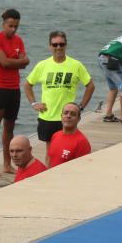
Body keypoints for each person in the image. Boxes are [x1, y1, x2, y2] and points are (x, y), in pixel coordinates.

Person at [24, 31, 95, 161]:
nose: (58, 48)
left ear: (66, 45)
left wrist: (80, 107)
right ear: (50, 46)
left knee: (69, 151)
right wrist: (34, 103)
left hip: (67, 117)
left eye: (61, 44)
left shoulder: (76, 65)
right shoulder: (42, 65)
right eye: (55, 44)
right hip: (47, 117)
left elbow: (90, 86)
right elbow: (28, 85)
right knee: (51, 152)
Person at [0, 8, 29, 177]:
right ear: (3, 24)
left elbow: (25, 61)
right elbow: (5, 63)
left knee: (9, 127)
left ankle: (7, 164)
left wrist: (9, 62)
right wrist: (14, 61)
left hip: (14, 88)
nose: (13, 29)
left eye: (16, 26)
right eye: (10, 26)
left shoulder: (19, 40)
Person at [47, 103, 91, 168]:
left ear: (78, 119)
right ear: (61, 116)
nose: (68, 116)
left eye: (73, 114)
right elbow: (50, 160)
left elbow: (83, 168)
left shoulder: (82, 142)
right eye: (65, 113)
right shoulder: (55, 135)